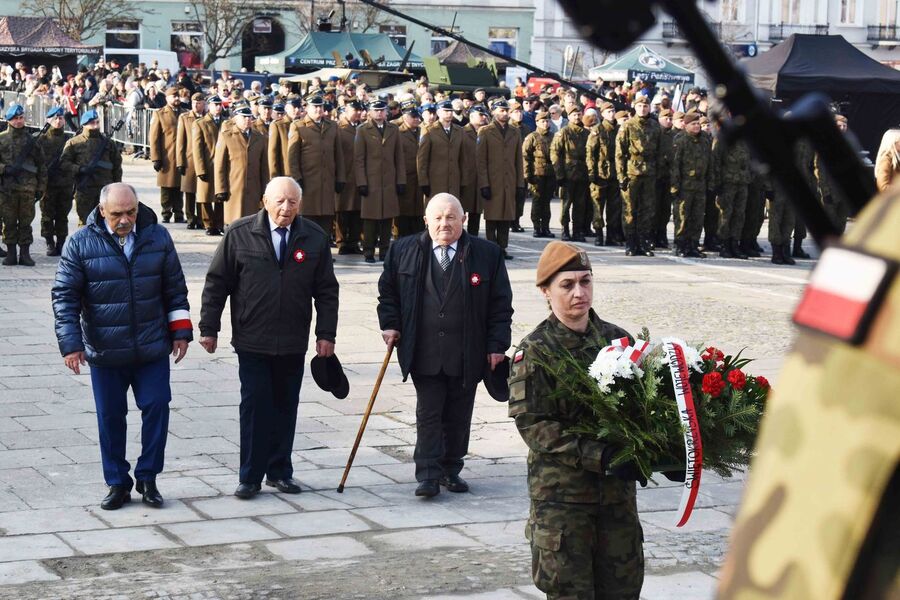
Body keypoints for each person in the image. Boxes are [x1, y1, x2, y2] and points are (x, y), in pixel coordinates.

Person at [508, 241, 646, 599]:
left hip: (616, 500)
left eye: (586, 281)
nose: (579, 293)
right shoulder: (535, 351)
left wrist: (663, 451)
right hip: (563, 502)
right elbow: (535, 426)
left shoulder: (618, 340)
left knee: (624, 591)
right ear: (545, 291)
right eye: (567, 285)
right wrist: (597, 455)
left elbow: (643, 408)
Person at [51, 183, 192, 510]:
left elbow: (175, 288)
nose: (125, 220)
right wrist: (71, 344)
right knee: (110, 417)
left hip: (152, 348)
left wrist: (181, 331)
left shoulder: (157, 237)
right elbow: (65, 297)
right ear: (102, 211)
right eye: (117, 214)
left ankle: (149, 477)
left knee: (157, 407)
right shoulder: (80, 243)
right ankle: (117, 482)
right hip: (106, 350)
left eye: (131, 212)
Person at [199, 177, 339, 499]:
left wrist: (326, 334)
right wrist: (209, 328)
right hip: (252, 339)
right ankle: (249, 476)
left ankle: (279, 471)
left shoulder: (314, 237)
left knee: (285, 406)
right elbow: (217, 283)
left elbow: (327, 292)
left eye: (292, 202)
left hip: (292, 340)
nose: (285, 208)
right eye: (279, 201)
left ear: (299, 205)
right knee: (254, 406)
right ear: (265, 200)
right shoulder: (239, 233)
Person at [377, 193, 513, 497]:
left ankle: (451, 469)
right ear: (426, 220)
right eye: (437, 218)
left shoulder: (486, 254)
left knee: (459, 413)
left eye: (451, 217)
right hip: (423, 349)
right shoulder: (403, 250)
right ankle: (427, 473)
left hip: (467, 351)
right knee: (428, 412)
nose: (444, 223)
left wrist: (497, 345)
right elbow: (388, 294)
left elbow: (501, 305)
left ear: (463, 220)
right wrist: (390, 324)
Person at [355, 99, 405, 263]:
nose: (379, 113)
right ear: (369, 112)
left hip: (389, 180)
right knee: (370, 218)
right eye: (376, 110)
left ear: (386, 112)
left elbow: (399, 157)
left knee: (387, 218)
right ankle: (368, 250)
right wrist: (361, 181)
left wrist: (400, 180)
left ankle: (385, 250)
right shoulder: (362, 130)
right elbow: (359, 159)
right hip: (371, 181)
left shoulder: (393, 129)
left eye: (382, 110)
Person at [288, 96, 345, 235]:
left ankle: (323, 253)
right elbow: (292, 156)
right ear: (307, 108)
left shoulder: (332, 126)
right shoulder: (298, 126)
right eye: (315, 106)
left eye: (321, 106)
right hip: (308, 181)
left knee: (326, 218)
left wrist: (340, 178)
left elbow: (339, 154)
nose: (319, 109)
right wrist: (296, 177)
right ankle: (307, 253)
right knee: (308, 218)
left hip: (327, 181)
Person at [476, 99, 524, 259]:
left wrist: (519, 183)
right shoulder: (485, 131)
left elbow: (518, 159)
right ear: (494, 112)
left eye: (506, 110)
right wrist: (484, 183)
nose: (504, 113)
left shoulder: (514, 131)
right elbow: (481, 160)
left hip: (509, 180)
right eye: (501, 110)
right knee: (492, 216)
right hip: (493, 180)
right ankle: (491, 248)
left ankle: (502, 247)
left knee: (506, 216)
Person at [0, 103, 46, 266]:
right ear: (9, 120)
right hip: (7, 189)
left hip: (28, 189)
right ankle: (11, 253)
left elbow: (41, 166)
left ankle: (25, 254)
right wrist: (5, 169)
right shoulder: (2, 139)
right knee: (9, 222)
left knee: (26, 222)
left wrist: (41, 187)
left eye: (21, 118)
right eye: (15, 119)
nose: (19, 121)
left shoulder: (32, 141)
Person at [60, 109, 123, 228]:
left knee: (107, 222)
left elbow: (117, 166)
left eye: (97, 122)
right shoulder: (74, 143)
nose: (95, 125)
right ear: (84, 124)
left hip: (105, 189)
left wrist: (116, 187)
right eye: (92, 123)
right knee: (85, 223)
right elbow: (64, 163)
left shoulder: (108, 143)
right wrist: (79, 169)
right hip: (84, 189)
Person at [616, 95, 661, 256]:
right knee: (629, 209)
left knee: (647, 210)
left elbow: (660, 151)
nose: (643, 108)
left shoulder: (655, 127)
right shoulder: (627, 126)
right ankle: (631, 243)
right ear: (635, 107)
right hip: (631, 172)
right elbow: (620, 153)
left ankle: (644, 243)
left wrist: (659, 173)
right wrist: (621, 176)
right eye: (640, 106)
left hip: (649, 172)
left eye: (646, 106)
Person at [214, 104, 269, 226]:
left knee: (251, 221)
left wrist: (265, 189)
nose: (247, 120)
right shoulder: (227, 136)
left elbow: (264, 167)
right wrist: (220, 189)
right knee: (234, 222)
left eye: (249, 117)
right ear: (236, 118)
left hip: (253, 187)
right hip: (233, 188)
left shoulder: (259, 138)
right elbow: (219, 165)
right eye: (244, 117)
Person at [670, 112, 713, 258]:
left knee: (698, 217)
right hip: (684, 186)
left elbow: (710, 163)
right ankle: (680, 245)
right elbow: (675, 165)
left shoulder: (705, 140)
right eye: (693, 124)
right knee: (682, 216)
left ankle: (693, 245)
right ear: (686, 125)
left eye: (698, 124)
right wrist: (675, 187)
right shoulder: (680, 140)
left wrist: (711, 182)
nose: (697, 126)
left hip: (700, 185)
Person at [550, 105, 590, 242]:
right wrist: (559, 174)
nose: (577, 117)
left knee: (580, 205)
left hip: (582, 173)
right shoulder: (564, 133)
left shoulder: (586, 133)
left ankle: (578, 231)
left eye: (579, 114)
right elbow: (555, 154)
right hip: (568, 173)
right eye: (574, 115)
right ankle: (565, 230)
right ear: (569, 116)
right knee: (566, 205)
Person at [37, 106, 71, 256]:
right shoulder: (41, 140)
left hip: (65, 184)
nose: (58, 121)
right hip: (48, 185)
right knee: (47, 215)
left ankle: (61, 243)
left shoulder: (69, 140)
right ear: (48, 120)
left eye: (61, 118)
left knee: (62, 215)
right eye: (55, 118)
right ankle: (49, 242)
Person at [149, 87, 184, 223]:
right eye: (173, 96)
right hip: (166, 156)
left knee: (180, 187)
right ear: (167, 98)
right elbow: (154, 138)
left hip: (181, 156)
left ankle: (179, 213)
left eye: (177, 96)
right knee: (166, 187)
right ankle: (166, 213)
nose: (176, 99)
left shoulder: (184, 113)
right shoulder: (160, 114)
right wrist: (156, 158)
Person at [192, 95, 225, 235]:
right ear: (208, 106)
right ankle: (208, 224)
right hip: (207, 164)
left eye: (219, 104)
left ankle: (219, 224)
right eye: (214, 105)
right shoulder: (200, 123)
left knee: (220, 196)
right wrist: (200, 169)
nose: (218, 107)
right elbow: (197, 148)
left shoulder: (226, 123)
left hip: (222, 165)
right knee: (205, 196)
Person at [522, 110, 555, 238]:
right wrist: (528, 174)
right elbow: (525, 156)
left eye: (547, 121)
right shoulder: (532, 137)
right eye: (542, 121)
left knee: (546, 202)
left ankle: (545, 227)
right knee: (537, 201)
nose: (545, 124)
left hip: (550, 173)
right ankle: (537, 227)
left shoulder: (553, 136)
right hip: (537, 173)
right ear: (537, 122)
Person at [176, 92, 206, 230]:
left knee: (203, 191)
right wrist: (180, 162)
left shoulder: (208, 117)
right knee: (189, 191)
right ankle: (190, 218)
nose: (196, 105)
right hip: (189, 159)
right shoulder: (185, 118)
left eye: (199, 103)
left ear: (203, 104)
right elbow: (181, 141)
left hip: (205, 160)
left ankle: (201, 218)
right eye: (194, 103)